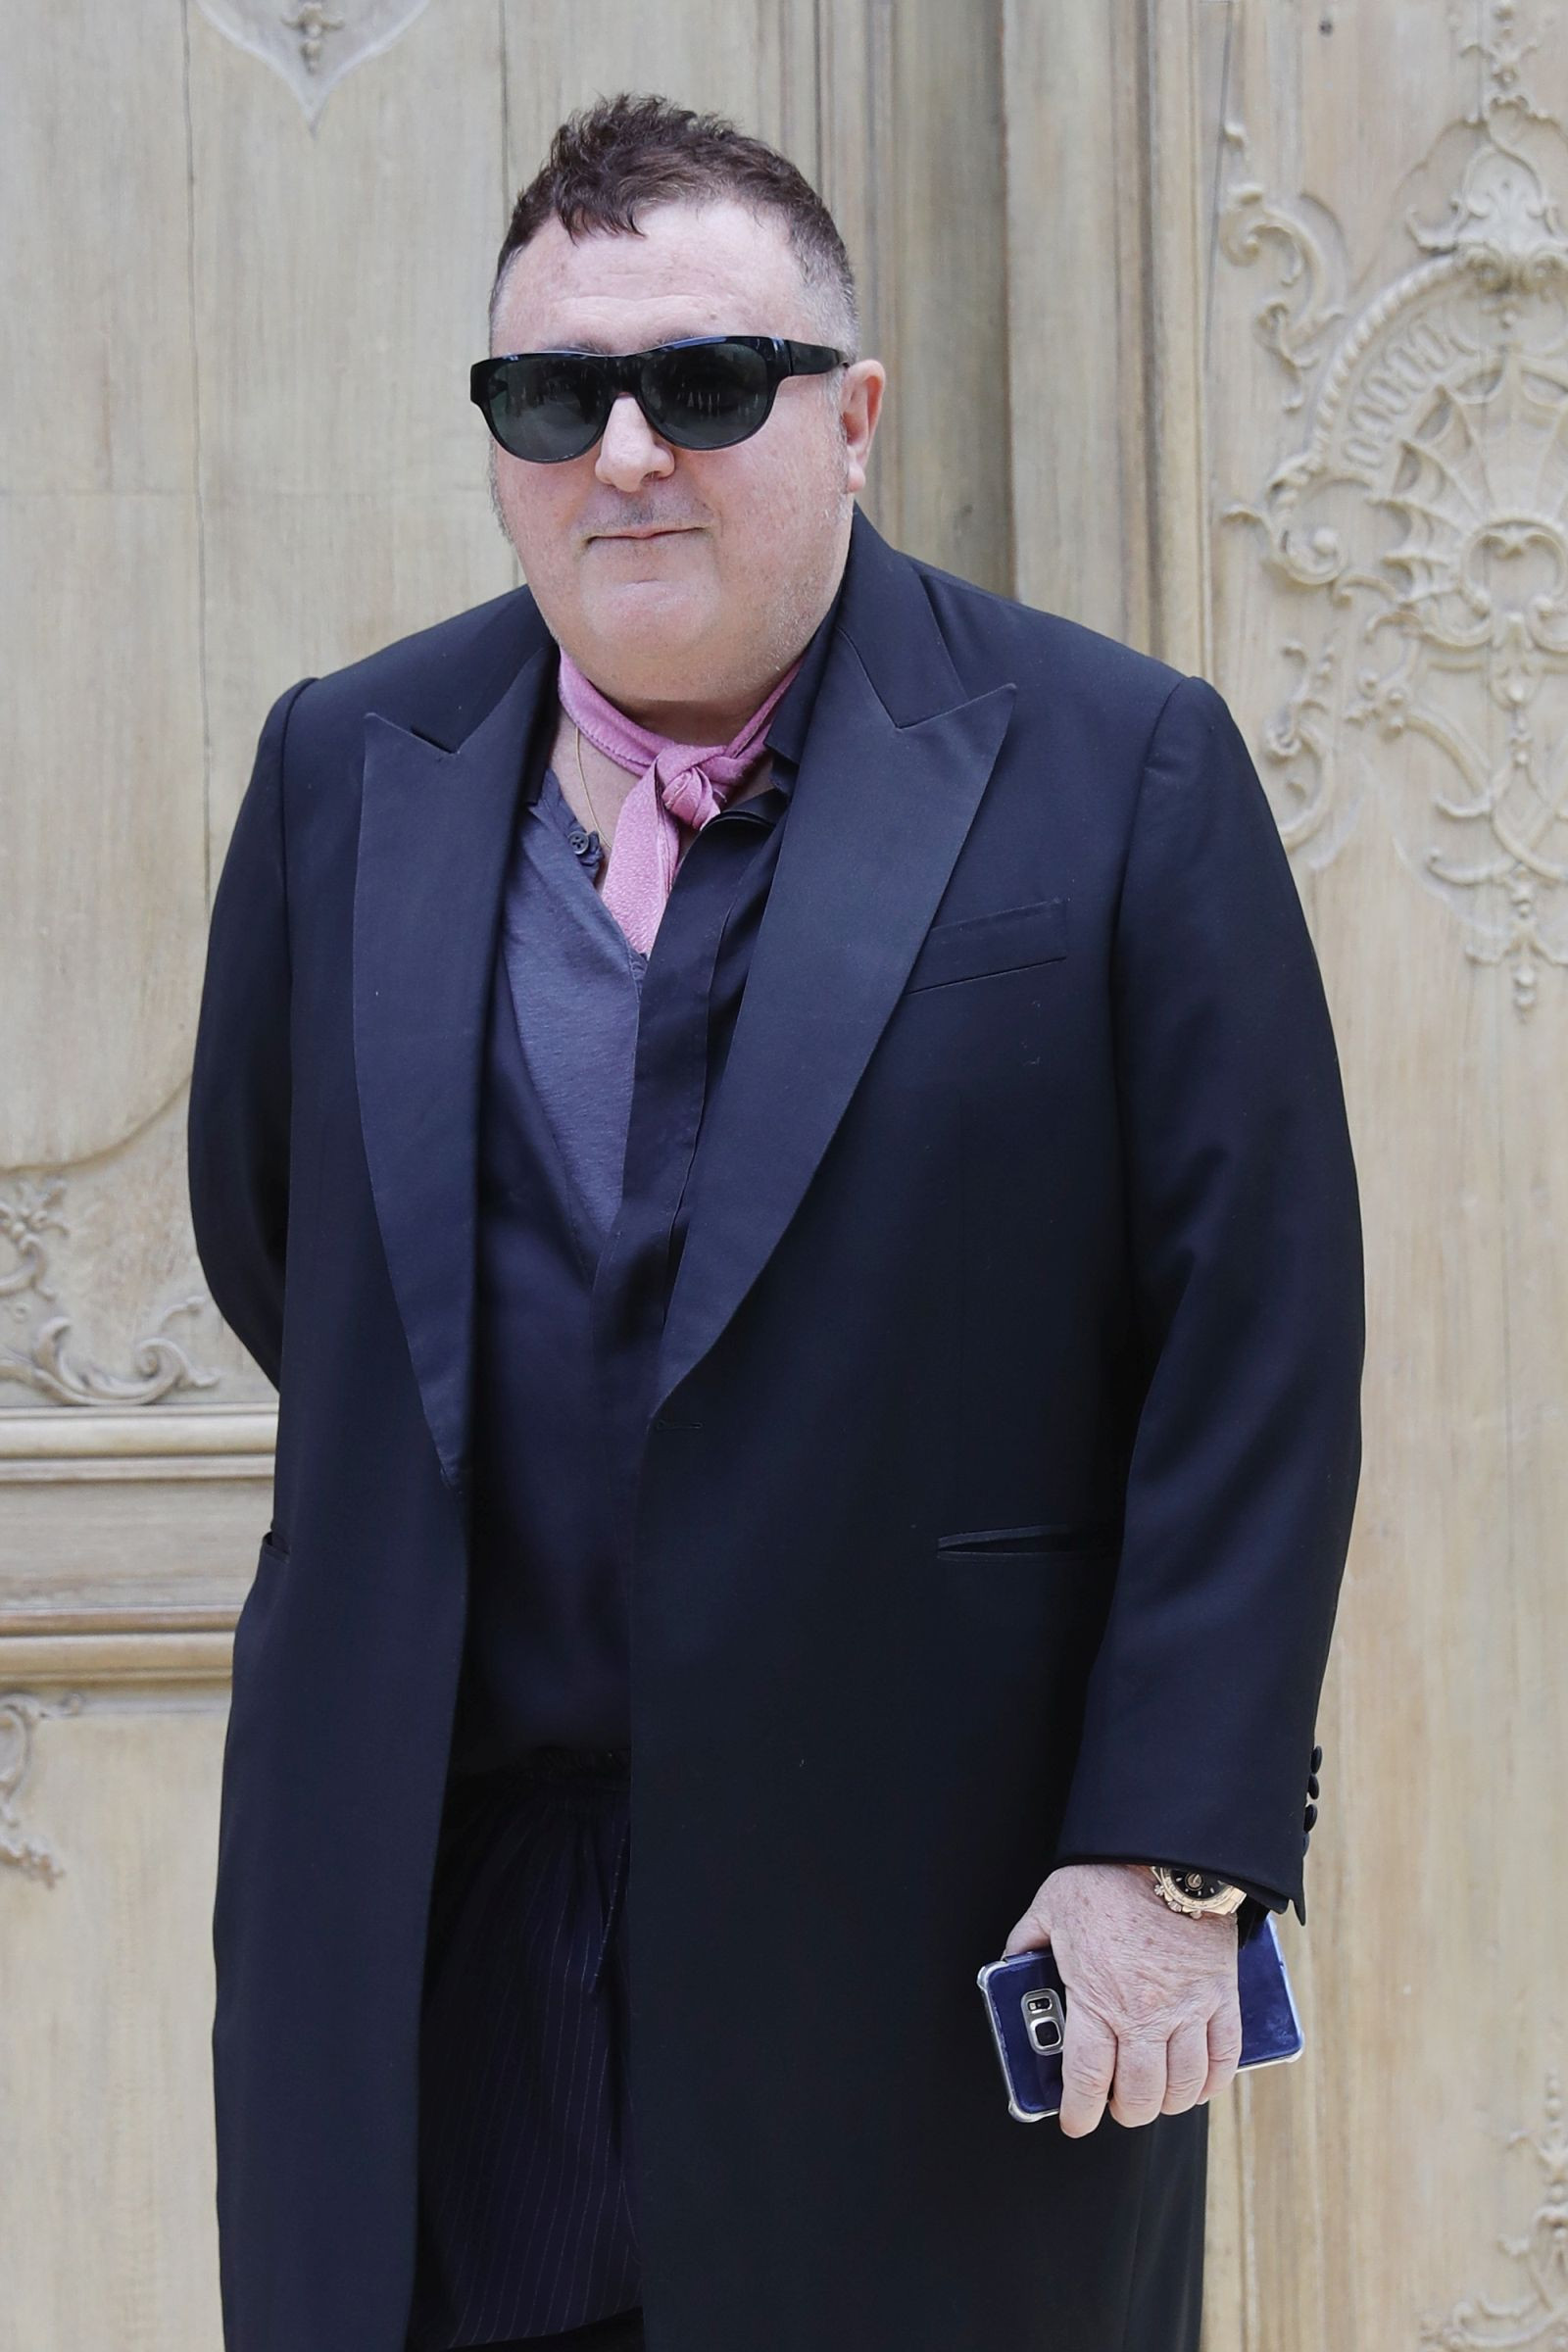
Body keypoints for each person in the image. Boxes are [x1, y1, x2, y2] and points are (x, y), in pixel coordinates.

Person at [186, 90, 1363, 2352]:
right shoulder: (345, 764)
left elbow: (1255, 1349)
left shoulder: (1118, 767)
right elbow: (286, 1254)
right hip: (435, 1933)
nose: (625, 453)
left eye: (706, 384)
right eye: (553, 398)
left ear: (851, 417)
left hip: (921, 1933)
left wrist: (1169, 1854)